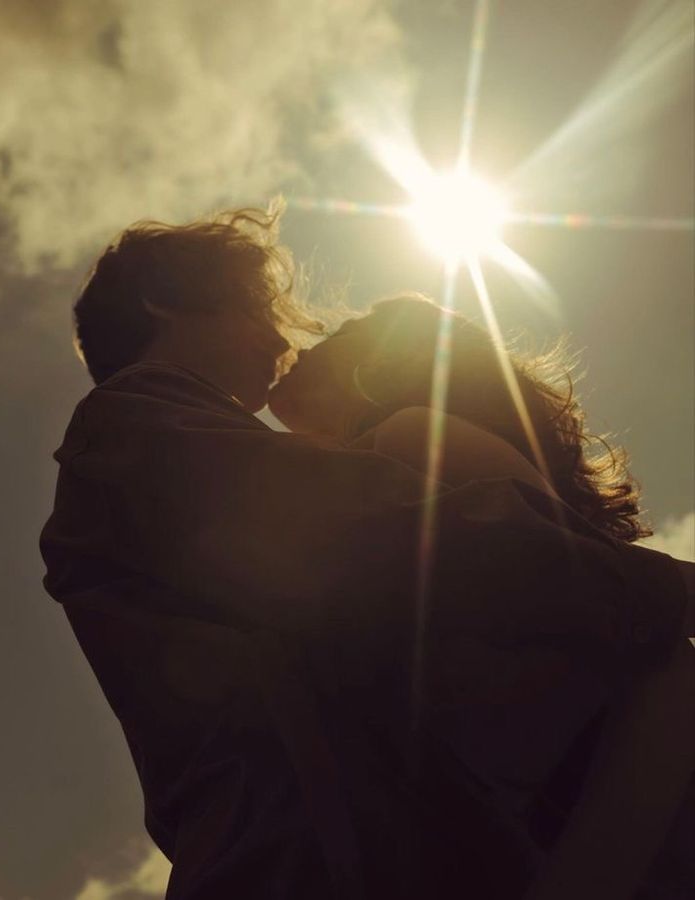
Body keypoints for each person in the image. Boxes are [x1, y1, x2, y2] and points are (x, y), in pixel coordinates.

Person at [41, 205, 692, 899]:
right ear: (165, 300)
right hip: (305, 856)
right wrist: (659, 587)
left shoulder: (168, 446)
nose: (281, 338)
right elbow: (390, 539)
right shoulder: (134, 429)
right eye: (259, 306)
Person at [268, 292, 695, 898]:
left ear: (386, 363)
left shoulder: (409, 435)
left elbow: (629, 619)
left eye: (348, 331)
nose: (309, 344)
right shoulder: (366, 464)